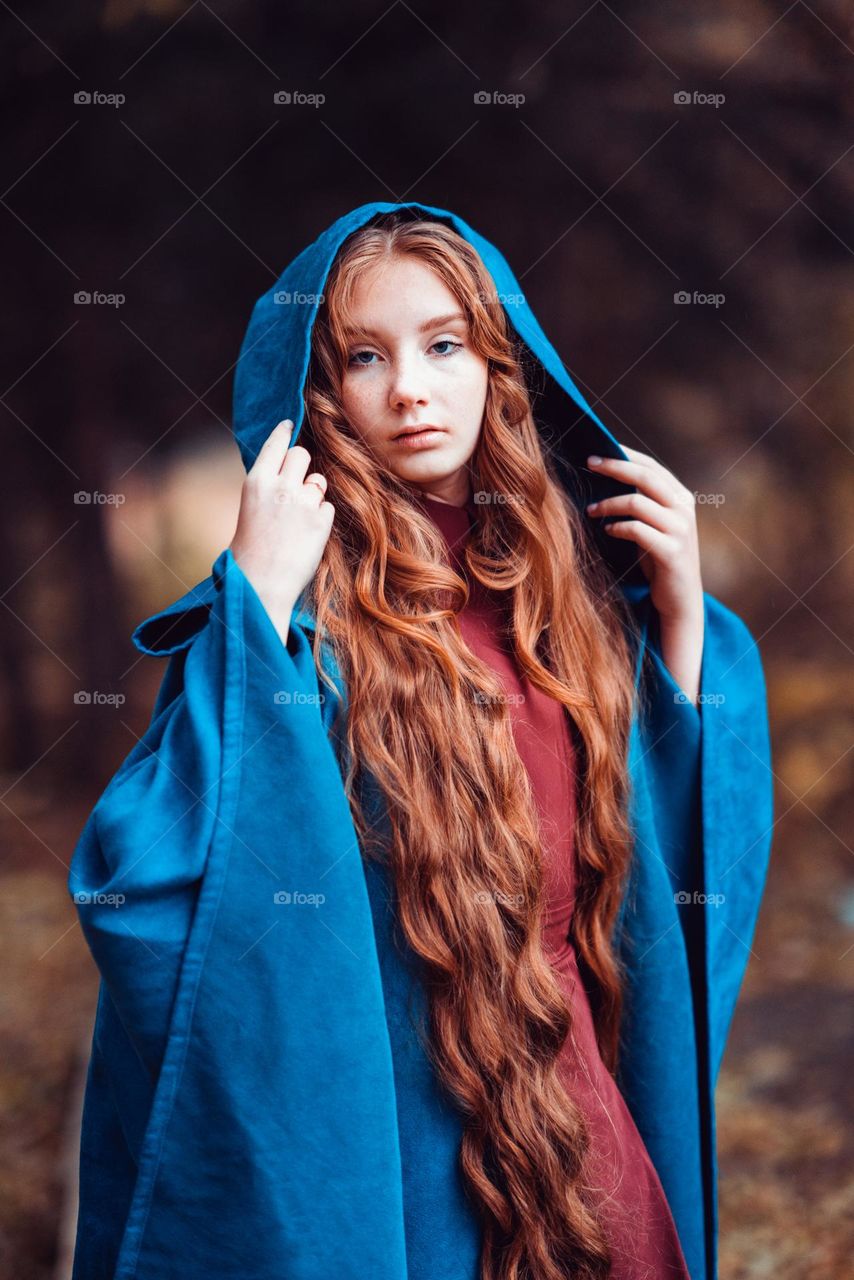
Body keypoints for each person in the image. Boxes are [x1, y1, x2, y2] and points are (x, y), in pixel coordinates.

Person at [68, 202, 773, 1280]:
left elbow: (662, 858)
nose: (408, 387)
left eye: (443, 344)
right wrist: (254, 606)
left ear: (497, 362)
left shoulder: (565, 599)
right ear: (320, 393)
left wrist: (677, 613)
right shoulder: (292, 622)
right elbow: (152, 881)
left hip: (585, 1128)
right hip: (407, 1153)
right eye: (363, 355)